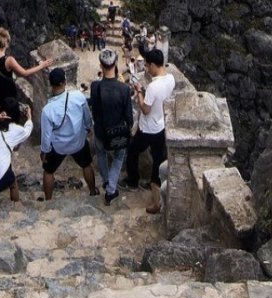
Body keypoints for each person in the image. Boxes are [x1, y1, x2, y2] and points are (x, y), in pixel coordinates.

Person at [125, 48, 176, 215]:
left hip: (148, 128)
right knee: (158, 158)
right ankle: (154, 183)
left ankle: (134, 182)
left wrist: (139, 91)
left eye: (147, 65)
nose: (146, 68)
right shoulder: (171, 79)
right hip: (161, 126)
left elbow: (145, 109)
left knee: (133, 151)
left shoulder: (153, 86)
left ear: (153, 65)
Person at [39, 67, 97, 201]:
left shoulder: (47, 110)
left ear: (51, 84)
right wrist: (88, 128)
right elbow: (87, 118)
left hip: (59, 146)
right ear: (64, 82)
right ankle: (93, 192)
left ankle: (48, 200)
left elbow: (46, 136)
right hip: (78, 142)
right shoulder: (78, 96)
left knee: (48, 171)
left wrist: (44, 151)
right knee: (86, 165)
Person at [90, 48, 133, 204]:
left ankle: (107, 181)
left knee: (101, 154)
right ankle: (110, 190)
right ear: (115, 64)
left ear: (101, 65)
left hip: (101, 130)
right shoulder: (124, 89)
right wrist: (130, 127)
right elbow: (129, 116)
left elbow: (94, 110)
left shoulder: (95, 87)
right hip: (118, 132)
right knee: (119, 157)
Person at [0, 28, 52, 115]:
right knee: (10, 116)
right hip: (7, 92)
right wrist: (41, 65)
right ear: (7, 42)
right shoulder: (9, 60)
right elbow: (24, 72)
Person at [0, 96, 33, 204]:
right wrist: (29, 116)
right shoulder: (17, 130)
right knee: (13, 183)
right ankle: (16, 206)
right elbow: (28, 129)